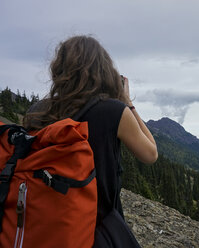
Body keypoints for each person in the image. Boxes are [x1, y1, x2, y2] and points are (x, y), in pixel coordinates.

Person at [23, 35, 157, 247]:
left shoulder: (38, 111)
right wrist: (127, 102)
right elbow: (150, 154)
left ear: (59, 70)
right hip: (97, 230)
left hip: (44, 222)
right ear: (104, 71)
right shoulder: (113, 111)